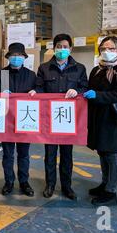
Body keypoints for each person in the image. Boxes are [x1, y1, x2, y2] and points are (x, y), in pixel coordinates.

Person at [35, 33, 88, 200]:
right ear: (54, 48)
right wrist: (35, 92)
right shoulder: (44, 68)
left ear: (71, 49)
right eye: (59, 47)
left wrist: (77, 91)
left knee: (67, 154)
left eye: (65, 47)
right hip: (49, 118)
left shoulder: (79, 68)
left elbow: (85, 88)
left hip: (67, 119)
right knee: (50, 154)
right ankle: (50, 185)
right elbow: (40, 88)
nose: (62, 50)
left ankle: (67, 186)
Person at [83, 36, 117, 206]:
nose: (107, 51)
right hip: (98, 118)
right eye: (103, 48)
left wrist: (98, 95)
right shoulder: (97, 70)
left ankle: (111, 192)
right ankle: (105, 184)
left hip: (113, 119)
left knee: (112, 155)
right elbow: (88, 89)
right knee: (102, 152)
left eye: (111, 49)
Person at [0, 43, 36, 196]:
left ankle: (24, 182)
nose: (16, 58)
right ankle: (9, 181)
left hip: (25, 120)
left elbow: (40, 91)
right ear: (8, 57)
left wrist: (36, 91)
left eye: (19, 55)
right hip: (6, 120)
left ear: (24, 57)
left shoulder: (31, 75)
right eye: (13, 55)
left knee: (24, 154)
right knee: (7, 154)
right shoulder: (0, 74)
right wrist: (0, 92)